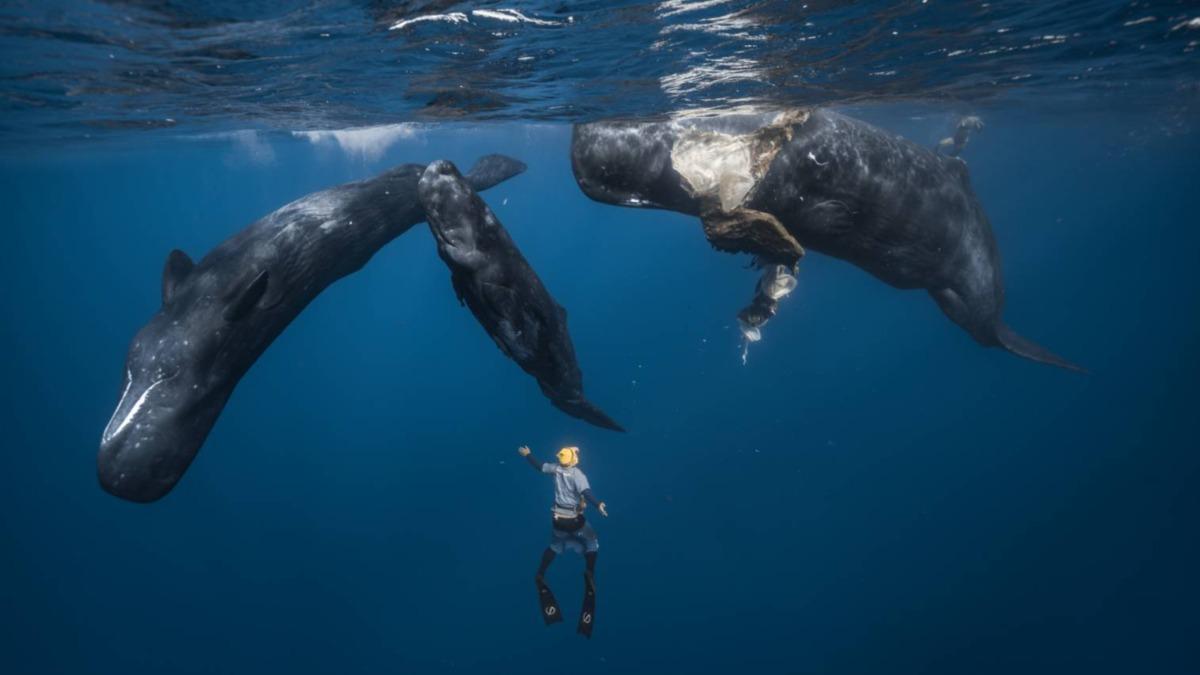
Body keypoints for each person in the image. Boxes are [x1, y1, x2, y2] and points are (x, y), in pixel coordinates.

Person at [519, 445, 607, 584]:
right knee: (592, 542)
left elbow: (539, 466)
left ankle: (540, 574)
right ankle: (589, 572)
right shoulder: (577, 474)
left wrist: (527, 454)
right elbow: (586, 492)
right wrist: (598, 504)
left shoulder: (556, 468)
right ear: (573, 460)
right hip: (574, 520)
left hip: (558, 519)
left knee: (555, 546)